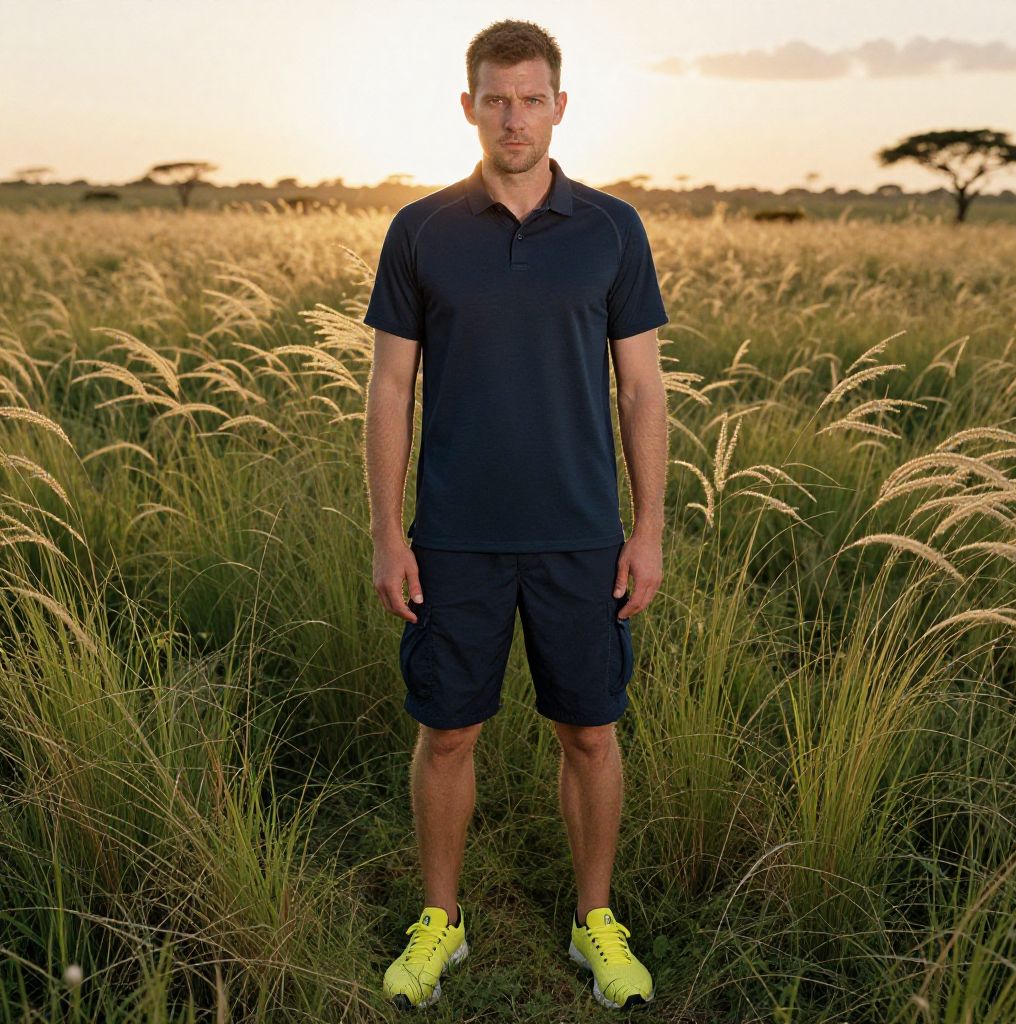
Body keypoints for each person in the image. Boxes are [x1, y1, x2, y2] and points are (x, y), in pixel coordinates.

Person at [363, 17, 669, 1012]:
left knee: (590, 730)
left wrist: (649, 526)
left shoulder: (613, 228)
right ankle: (440, 924)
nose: (513, 116)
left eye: (531, 97)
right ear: (467, 106)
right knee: (447, 734)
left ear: (559, 107)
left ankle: (594, 922)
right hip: (453, 533)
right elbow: (388, 388)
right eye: (495, 97)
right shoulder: (419, 230)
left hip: (583, 531)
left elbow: (642, 391)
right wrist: (387, 530)